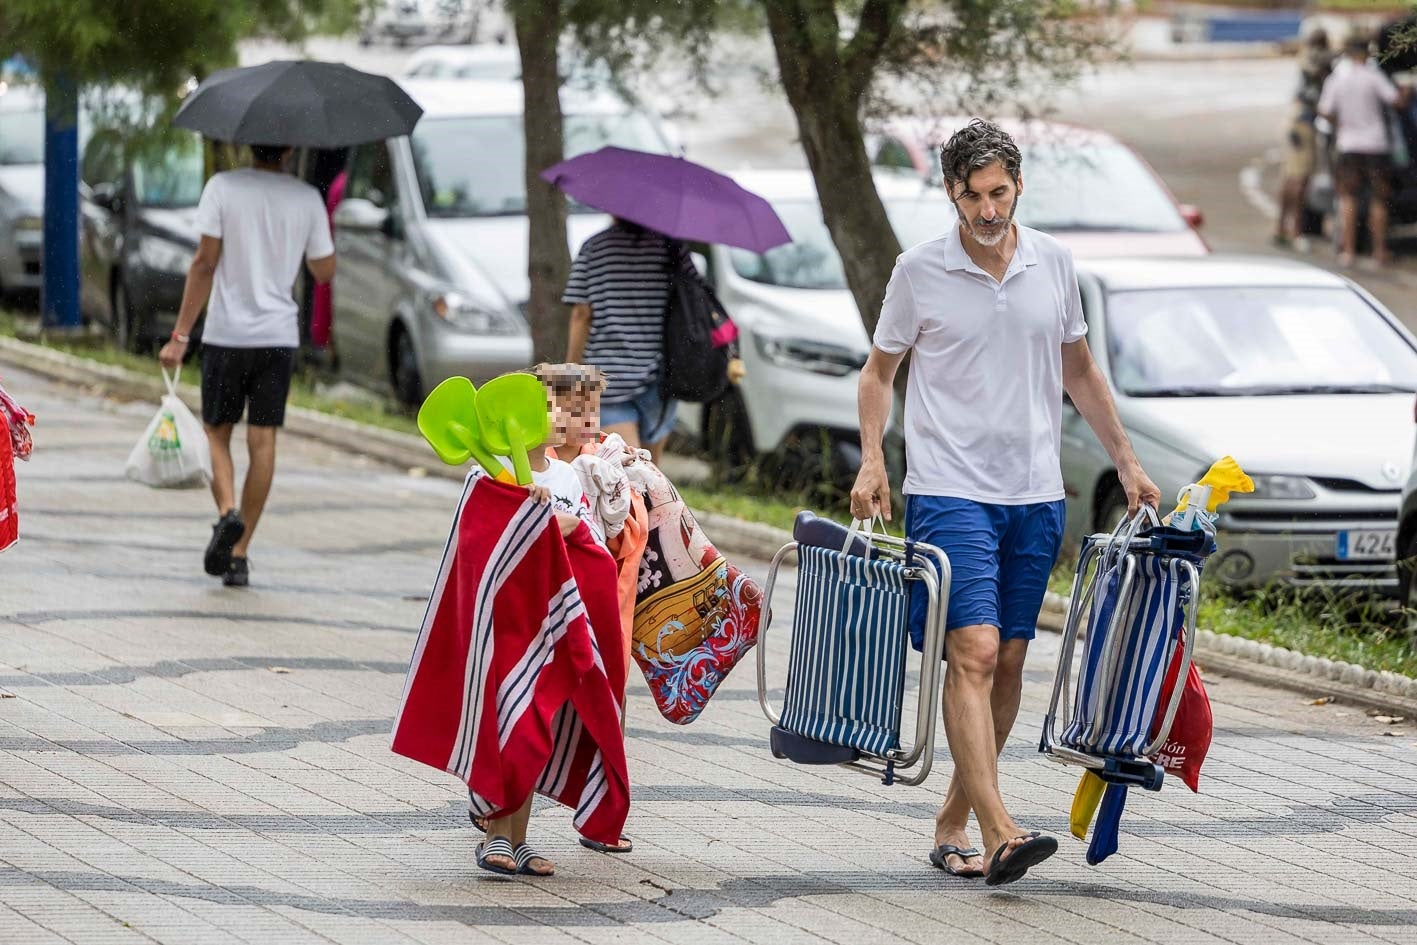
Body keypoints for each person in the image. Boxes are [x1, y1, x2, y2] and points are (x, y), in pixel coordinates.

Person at [849, 119, 1160, 887]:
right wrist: (869, 460)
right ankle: (999, 830)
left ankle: (952, 821)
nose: (986, 210)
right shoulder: (918, 270)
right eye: (971, 196)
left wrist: (1125, 461)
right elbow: (876, 372)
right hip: (949, 489)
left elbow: (1079, 370)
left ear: (1017, 186)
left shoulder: (1052, 262)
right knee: (974, 652)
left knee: (1012, 659)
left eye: (998, 193)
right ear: (950, 193)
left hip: (1033, 492)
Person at [159, 144, 335, 587]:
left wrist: (180, 335)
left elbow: (204, 262)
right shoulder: (306, 198)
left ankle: (227, 512)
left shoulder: (222, 188)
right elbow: (324, 270)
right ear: (291, 149)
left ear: (246, 145)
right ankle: (239, 553)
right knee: (263, 439)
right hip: (277, 336)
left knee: (217, 432)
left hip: (227, 334)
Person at [563, 218, 693, 466]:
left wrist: (571, 370)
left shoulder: (594, 248)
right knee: (649, 475)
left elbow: (582, 313)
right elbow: (693, 299)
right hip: (660, 377)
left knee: (629, 476)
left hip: (608, 378)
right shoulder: (672, 247)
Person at [1318, 35, 1410, 268]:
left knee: (1349, 197)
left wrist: (1341, 124)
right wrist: (1407, 90)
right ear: (1366, 53)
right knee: (1379, 199)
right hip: (1376, 145)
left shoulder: (1337, 78)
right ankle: (1379, 251)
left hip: (1349, 144)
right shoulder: (1373, 76)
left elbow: (1324, 110)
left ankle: (1347, 251)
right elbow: (1396, 101)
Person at [1274, 29, 1332, 252]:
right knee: (1300, 179)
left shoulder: (1306, 59)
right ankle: (1295, 230)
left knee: (1291, 177)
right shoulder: (1311, 63)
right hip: (1302, 123)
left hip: (1295, 121)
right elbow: (1310, 90)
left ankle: (1282, 228)